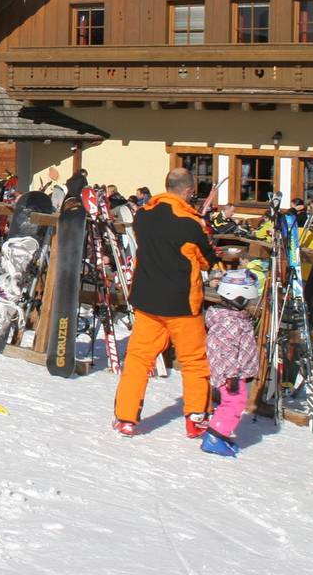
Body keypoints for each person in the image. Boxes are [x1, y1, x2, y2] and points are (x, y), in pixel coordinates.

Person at [113, 167, 219, 437]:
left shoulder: (143, 215)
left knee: (138, 359)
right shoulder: (190, 223)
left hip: (148, 298)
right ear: (187, 191)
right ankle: (196, 418)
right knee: (194, 361)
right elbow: (206, 260)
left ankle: (125, 417)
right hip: (181, 303)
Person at [200, 269, 261, 457]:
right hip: (230, 372)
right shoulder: (229, 323)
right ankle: (214, 436)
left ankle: (220, 432)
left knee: (233, 401)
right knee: (235, 401)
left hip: (235, 370)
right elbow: (225, 351)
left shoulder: (233, 319)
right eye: (247, 300)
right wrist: (231, 375)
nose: (249, 304)